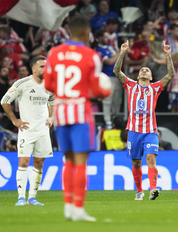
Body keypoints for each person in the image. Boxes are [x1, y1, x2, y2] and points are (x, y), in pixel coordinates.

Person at [44, 16, 111, 221]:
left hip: (61, 112)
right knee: (81, 163)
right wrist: (105, 92)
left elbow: (48, 84)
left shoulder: (54, 53)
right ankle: (79, 208)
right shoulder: (91, 55)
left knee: (69, 161)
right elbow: (96, 89)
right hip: (81, 112)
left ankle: (68, 207)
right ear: (86, 33)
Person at [113, 40, 175, 201]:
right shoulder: (130, 85)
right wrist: (122, 53)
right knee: (136, 163)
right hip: (133, 131)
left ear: (151, 76)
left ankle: (153, 189)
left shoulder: (155, 88)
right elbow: (116, 71)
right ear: (138, 75)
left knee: (151, 159)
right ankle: (139, 190)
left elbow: (170, 75)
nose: (145, 71)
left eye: (147, 70)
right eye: (142, 70)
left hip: (150, 131)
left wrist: (168, 56)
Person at [1, 56, 54, 206]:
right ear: (34, 69)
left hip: (43, 130)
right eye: (42, 66)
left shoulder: (50, 84)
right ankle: (20, 198)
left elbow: (52, 101)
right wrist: (14, 120)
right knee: (23, 162)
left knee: (39, 163)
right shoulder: (22, 83)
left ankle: (32, 198)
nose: (46, 69)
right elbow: (5, 101)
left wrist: (52, 117)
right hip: (27, 130)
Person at [95, 29, 121, 129]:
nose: (107, 39)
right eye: (105, 37)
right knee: (107, 101)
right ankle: (108, 121)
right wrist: (120, 52)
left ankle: (116, 119)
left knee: (117, 100)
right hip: (107, 77)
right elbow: (109, 62)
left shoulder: (110, 47)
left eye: (107, 37)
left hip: (116, 76)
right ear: (100, 38)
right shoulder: (98, 49)